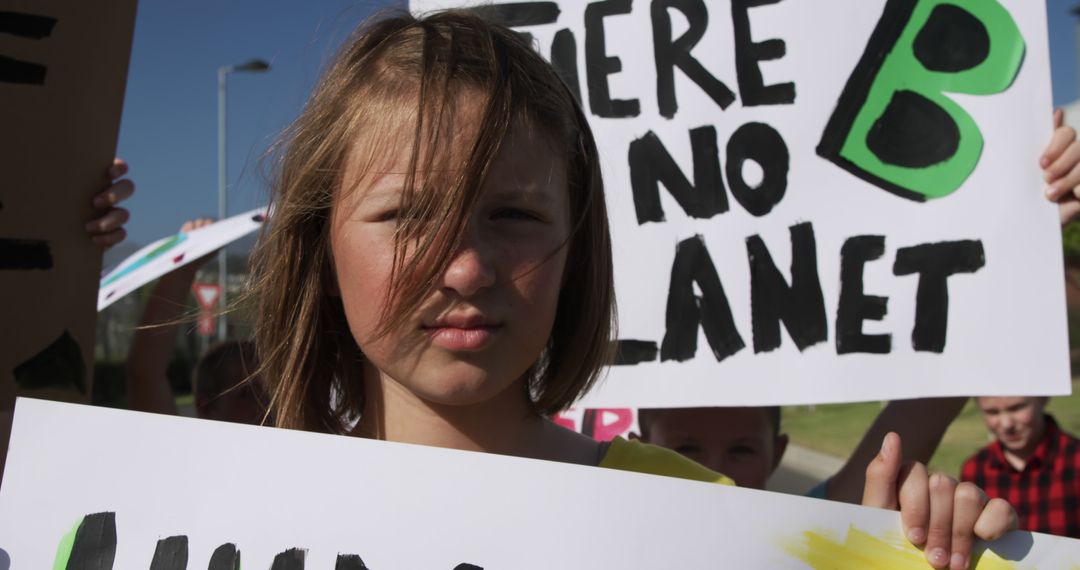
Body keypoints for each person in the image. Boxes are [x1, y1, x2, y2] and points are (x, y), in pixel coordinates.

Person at [247, 10, 1014, 570]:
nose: (466, 267)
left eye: (513, 214)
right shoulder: (222, 508)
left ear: (576, 247)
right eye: (409, 215)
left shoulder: (705, 517)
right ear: (319, 243)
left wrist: (897, 554)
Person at [125, 219, 268, 424]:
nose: (266, 403)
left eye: (272, 391)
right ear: (206, 406)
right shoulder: (179, 452)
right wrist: (184, 266)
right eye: (246, 393)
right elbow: (144, 374)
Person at [961, 397, 1080, 539]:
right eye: (992, 412)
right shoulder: (974, 469)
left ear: (1043, 399)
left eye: (1016, 408)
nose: (1007, 424)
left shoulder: (1075, 460)